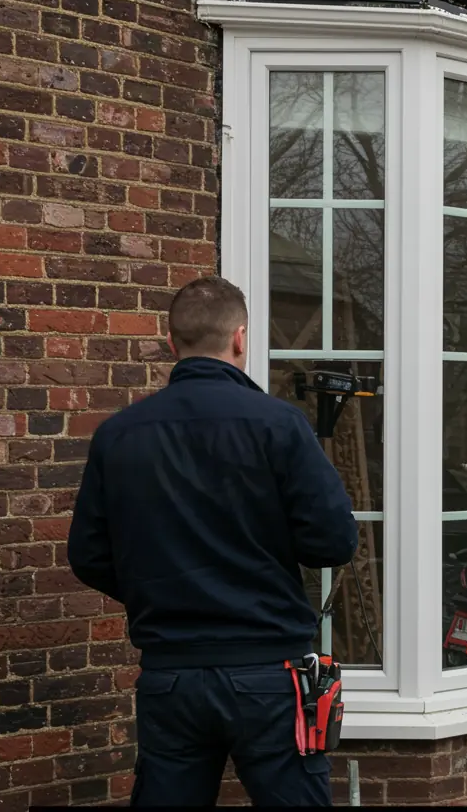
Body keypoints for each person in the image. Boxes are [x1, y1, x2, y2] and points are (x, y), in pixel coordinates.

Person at [67, 275, 359, 806]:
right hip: (269, 673)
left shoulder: (120, 434)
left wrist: (157, 590)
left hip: (171, 675)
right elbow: (333, 542)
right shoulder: (280, 425)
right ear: (240, 338)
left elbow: (88, 555)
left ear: (173, 343)